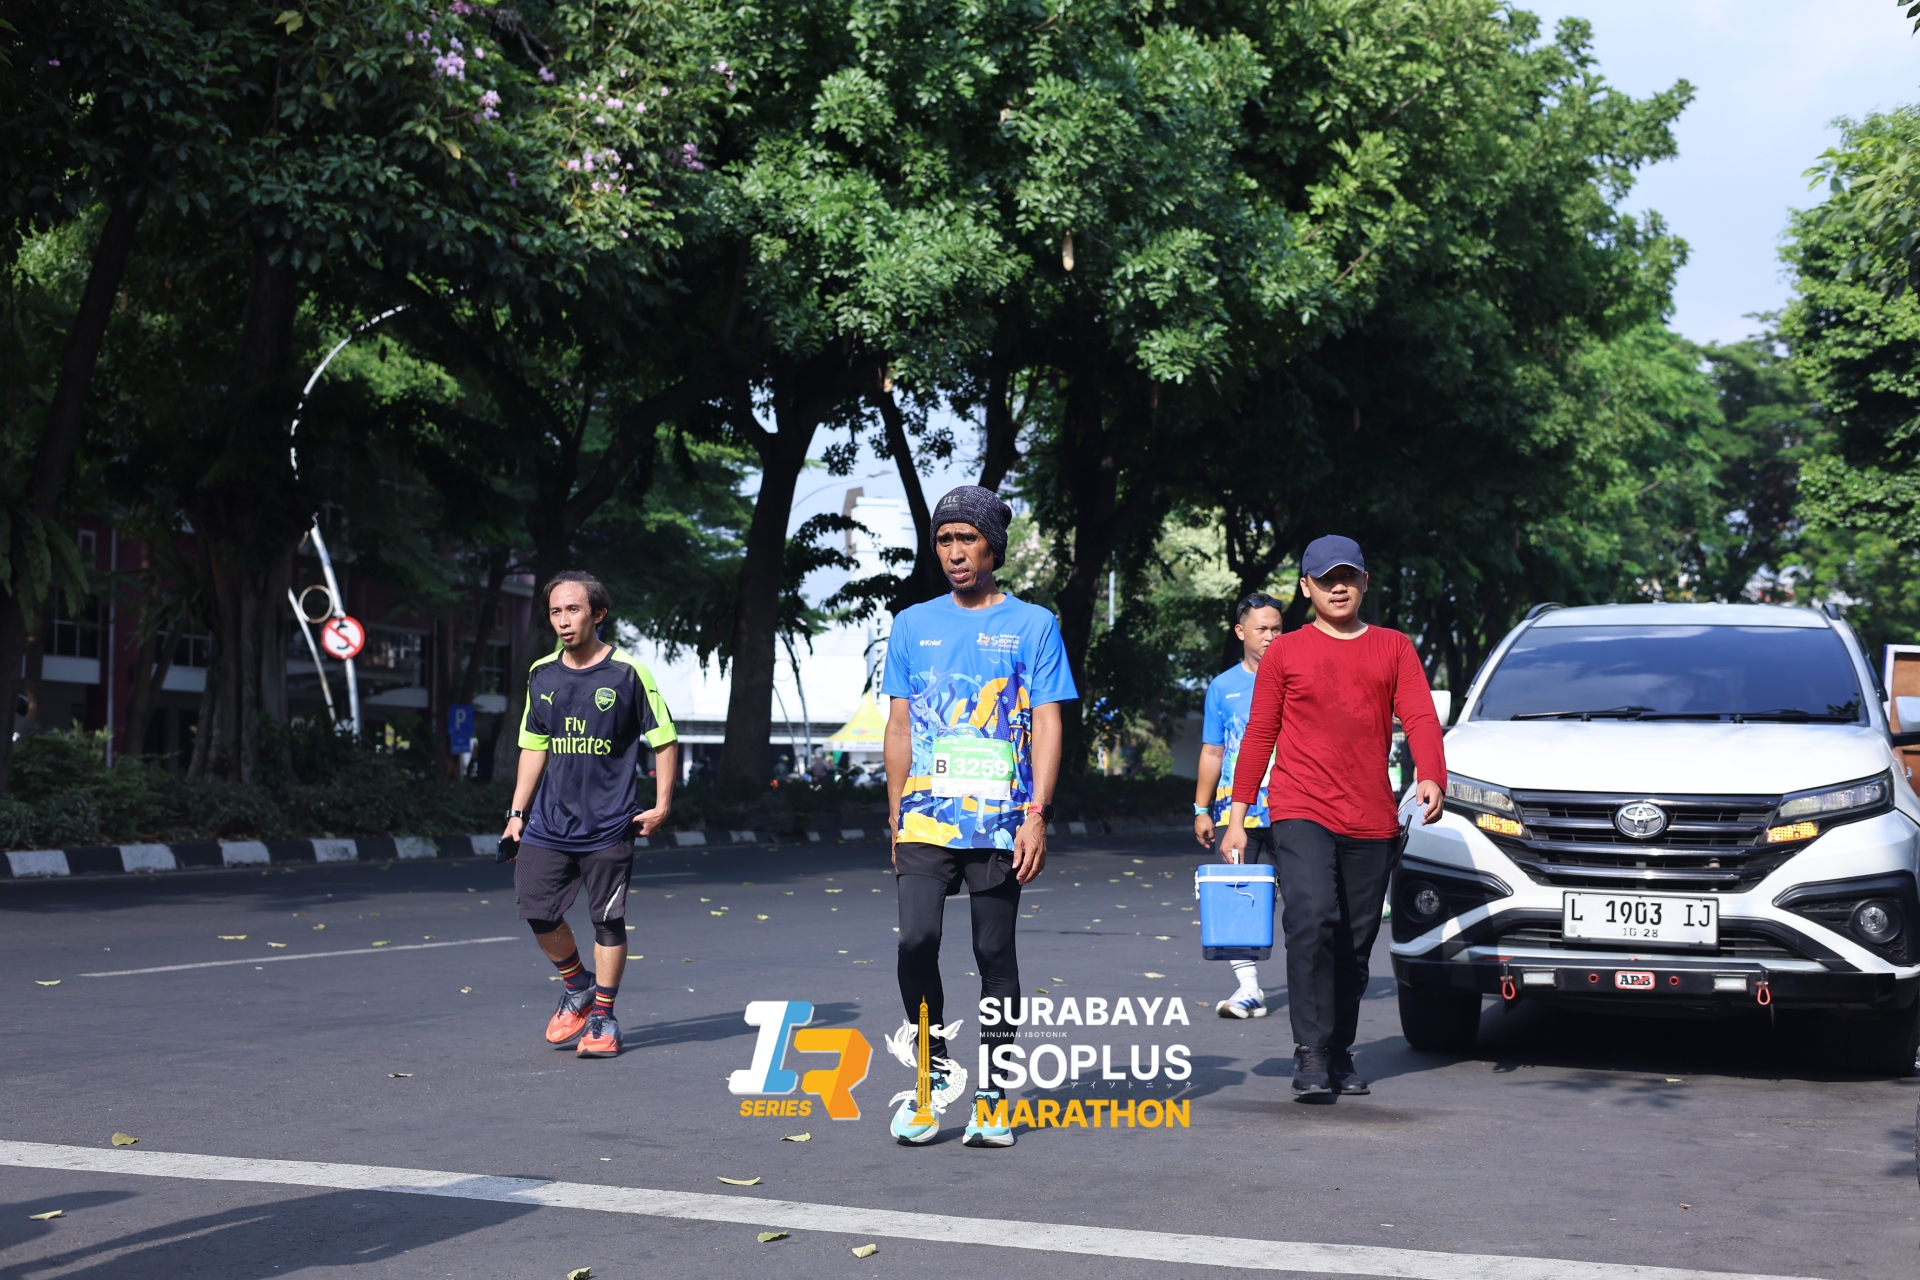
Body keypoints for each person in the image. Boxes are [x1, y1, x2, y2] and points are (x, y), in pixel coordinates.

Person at [882, 485, 1077, 1149]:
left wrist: (1037, 814)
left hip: (1000, 821)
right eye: (944, 540)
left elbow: (1048, 722)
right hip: (925, 817)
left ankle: (992, 1094)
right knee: (916, 941)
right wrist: (895, 814)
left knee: (993, 951)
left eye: (967, 538)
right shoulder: (912, 624)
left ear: (993, 546)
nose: (955, 552)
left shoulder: (1034, 624)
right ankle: (930, 1076)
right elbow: (899, 726)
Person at [1220, 536, 1445, 1098]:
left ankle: (1340, 1050)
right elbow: (1260, 734)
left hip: (1371, 816)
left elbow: (1420, 716)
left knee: (1354, 941)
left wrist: (1431, 775)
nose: (1338, 588)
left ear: (1364, 582)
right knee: (1312, 918)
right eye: (1325, 579)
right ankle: (1312, 1052)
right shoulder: (1286, 652)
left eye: (1347, 577)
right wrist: (1236, 817)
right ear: (1306, 588)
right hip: (1300, 807)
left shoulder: (1394, 647)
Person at [501, 571, 679, 1059]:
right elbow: (533, 746)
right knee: (536, 908)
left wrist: (662, 804)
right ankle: (578, 985)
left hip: (609, 822)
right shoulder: (542, 673)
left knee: (607, 919)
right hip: (548, 822)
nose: (563, 620)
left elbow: (664, 738)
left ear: (597, 614)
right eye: (555, 611)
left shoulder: (628, 673)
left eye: (573, 610)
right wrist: (516, 813)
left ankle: (603, 1016)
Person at [1191, 592, 1284, 1018]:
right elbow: (1213, 751)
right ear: (1240, 632)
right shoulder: (1223, 687)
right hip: (1237, 816)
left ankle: (1313, 985)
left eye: (1277, 628)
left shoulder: (1296, 679)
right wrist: (1201, 809)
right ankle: (1248, 989)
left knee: (1306, 904)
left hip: (1292, 810)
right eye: (1261, 628)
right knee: (1235, 898)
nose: (1270, 636)